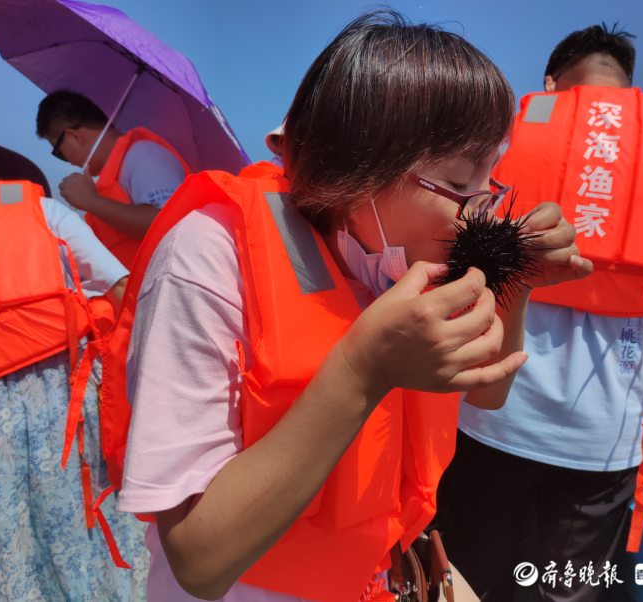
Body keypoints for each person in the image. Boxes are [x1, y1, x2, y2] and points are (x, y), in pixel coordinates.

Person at [106, 11, 593, 602]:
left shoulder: (408, 260)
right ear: (358, 173)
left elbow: (487, 391)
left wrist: (514, 282)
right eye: (461, 180)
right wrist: (363, 372)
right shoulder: (206, 257)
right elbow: (198, 561)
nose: (482, 208)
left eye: (491, 179)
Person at [430, 24, 643, 602]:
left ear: (550, 84)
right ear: (630, 86)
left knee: (467, 578)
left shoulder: (501, 140)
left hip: (491, 415)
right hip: (607, 439)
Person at [0, 143, 149, 601]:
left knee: (0, 538)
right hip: (64, 397)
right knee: (80, 526)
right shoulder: (41, 210)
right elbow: (120, 286)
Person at [36, 90, 190, 269]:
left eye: (60, 153)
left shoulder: (145, 155)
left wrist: (91, 201)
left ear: (74, 136)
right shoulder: (116, 173)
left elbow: (167, 224)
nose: (70, 162)